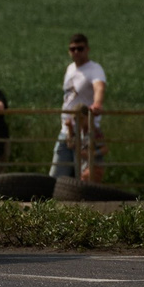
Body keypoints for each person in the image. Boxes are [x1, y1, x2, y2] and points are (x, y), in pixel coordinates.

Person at [53, 34, 105, 182]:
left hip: (85, 131)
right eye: (72, 49)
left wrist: (97, 104)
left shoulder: (94, 69)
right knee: (57, 174)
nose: (76, 52)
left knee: (84, 176)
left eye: (80, 48)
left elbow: (99, 87)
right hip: (67, 129)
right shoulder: (70, 69)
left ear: (87, 49)